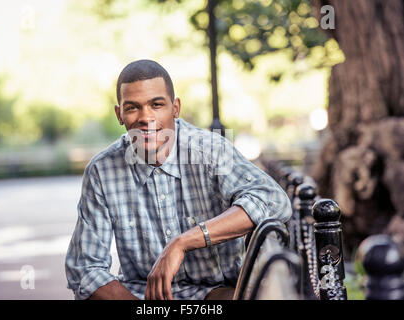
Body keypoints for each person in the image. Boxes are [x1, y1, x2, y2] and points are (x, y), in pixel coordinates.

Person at [65, 59, 292, 300]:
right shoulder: (102, 171)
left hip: (217, 293)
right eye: (132, 107)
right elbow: (85, 269)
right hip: (142, 297)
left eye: (156, 104)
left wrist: (183, 242)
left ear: (175, 108)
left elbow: (274, 200)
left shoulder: (210, 152)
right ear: (119, 114)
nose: (146, 117)